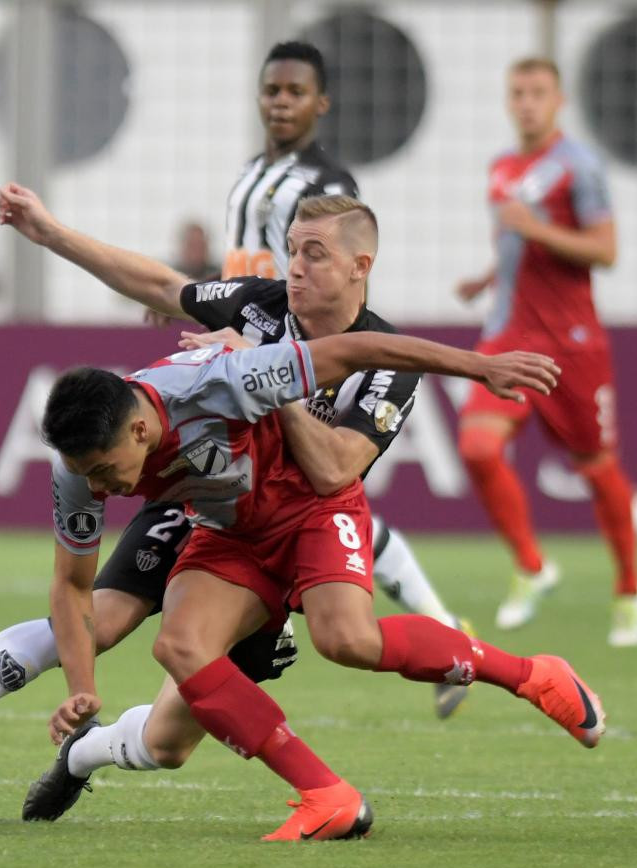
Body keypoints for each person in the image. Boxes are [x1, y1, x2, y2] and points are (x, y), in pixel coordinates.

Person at [5, 191, 602, 842]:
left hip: (316, 509)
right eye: (291, 250)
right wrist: (47, 231)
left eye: (313, 254)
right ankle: (326, 794)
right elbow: (156, 282)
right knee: (176, 658)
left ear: (358, 266)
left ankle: (533, 675)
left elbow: (334, 466)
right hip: (232, 524)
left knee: (347, 640)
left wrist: (264, 383)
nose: (293, 267)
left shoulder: (371, 362)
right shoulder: (257, 305)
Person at [222, 39, 471, 715]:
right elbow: (245, 267)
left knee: (317, 498)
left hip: (295, 352)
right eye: (271, 90)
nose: (280, 103)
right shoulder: (251, 173)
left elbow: (333, 257)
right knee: (313, 509)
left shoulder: (326, 188)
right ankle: (444, 631)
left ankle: (436, 635)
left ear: (320, 104)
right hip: (250, 347)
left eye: (294, 92)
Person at [454, 58, 637, 646]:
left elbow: (606, 251)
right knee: (477, 446)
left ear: (559, 99)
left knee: (596, 468)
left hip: (574, 344)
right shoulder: (501, 167)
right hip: (509, 333)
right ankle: (532, 568)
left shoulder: (579, 166)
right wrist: (489, 277)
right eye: (517, 93)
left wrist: (534, 229)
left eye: (538, 93)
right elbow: (518, 245)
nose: (527, 103)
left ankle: (631, 590)